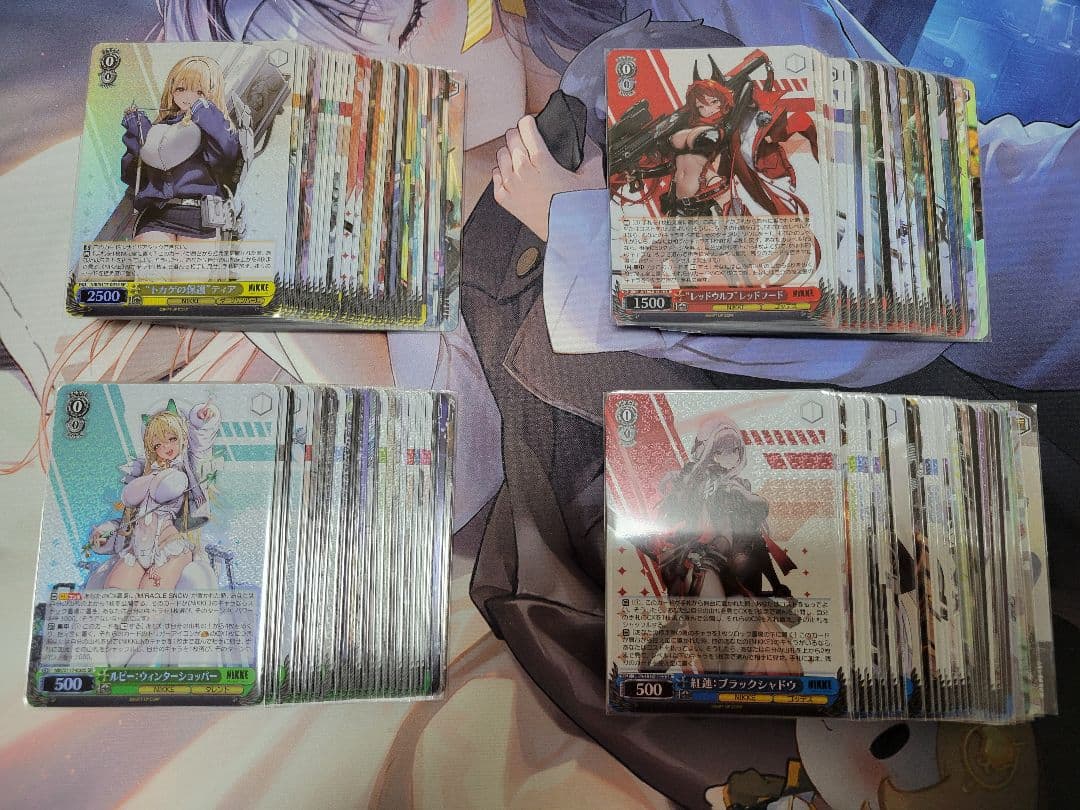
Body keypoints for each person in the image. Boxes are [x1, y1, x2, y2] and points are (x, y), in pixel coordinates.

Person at [86, 398, 222, 591]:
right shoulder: (144, 476)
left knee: (150, 598)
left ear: (182, 437)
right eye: (158, 444)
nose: (166, 447)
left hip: (170, 548)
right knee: (114, 591)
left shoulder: (187, 468)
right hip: (136, 551)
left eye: (172, 439)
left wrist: (201, 423)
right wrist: (106, 534)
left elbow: (200, 448)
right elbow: (130, 522)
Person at [121, 55, 242, 242]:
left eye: (199, 92)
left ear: (212, 94)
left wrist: (203, 111)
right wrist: (137, 130)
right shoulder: (158, 129)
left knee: (191, 262)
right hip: (155, 214)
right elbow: (131, 174)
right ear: (171, 90)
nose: (188, 96)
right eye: (181, 88)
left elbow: (226, 155)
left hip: (200, 215)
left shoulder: (213, 125)